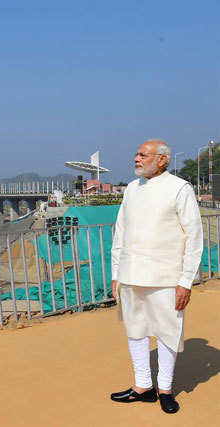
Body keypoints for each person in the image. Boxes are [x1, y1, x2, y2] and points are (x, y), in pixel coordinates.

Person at [110, 139, 203, 414]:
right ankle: (142, 386)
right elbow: (120, 233)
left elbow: (194, 238)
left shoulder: (179, 188)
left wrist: (186, 281)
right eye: (137, 153)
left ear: (162, 159)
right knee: (135, 331)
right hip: (131, 274)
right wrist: (116, 273)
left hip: (166, 277)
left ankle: (164, 388)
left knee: (167, 333)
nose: (136, 158)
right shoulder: (131, 189)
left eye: (143, 154)